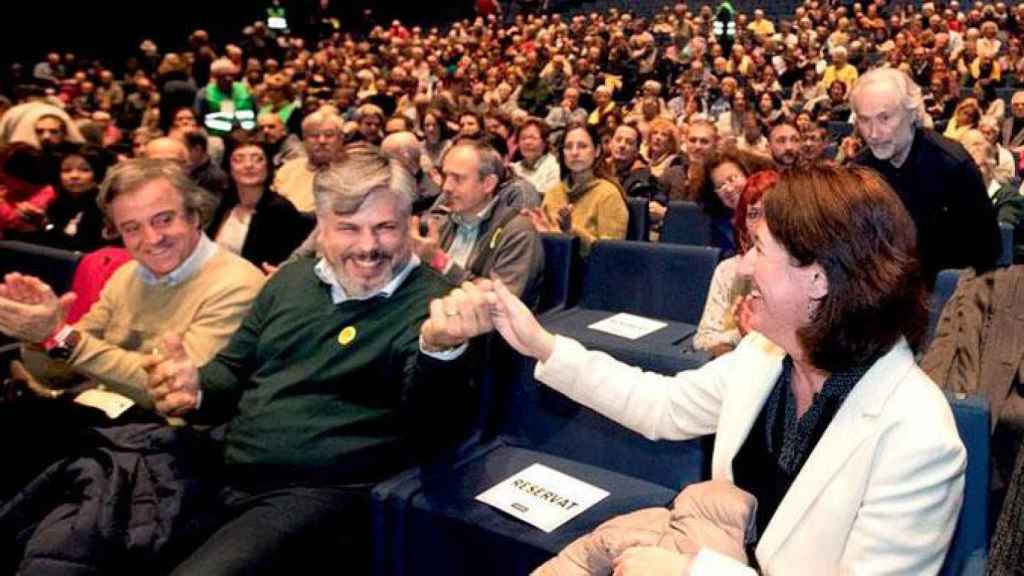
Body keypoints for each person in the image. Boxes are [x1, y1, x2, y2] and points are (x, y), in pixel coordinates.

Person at [423, 164, 965, 575]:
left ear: (820, 280)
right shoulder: (764, 356)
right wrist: (541, 345)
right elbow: (661, 406)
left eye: (761, 250)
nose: (744, 265)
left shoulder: (918, 437)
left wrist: (692, 573)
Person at [145, 151, 475, 574]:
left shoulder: (439, 309)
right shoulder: (290, 281)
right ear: (320, 225)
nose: (368, 246)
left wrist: (441, 351)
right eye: (348, 228)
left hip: (320, 495)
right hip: (225, 471)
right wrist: (196, 389)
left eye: (385, 228)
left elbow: (433, 426)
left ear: (409, 222)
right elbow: (231, 370)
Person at [851, 67, 1001, 283]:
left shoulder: (954, 165)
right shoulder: (860, 168)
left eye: (885, 118)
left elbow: (987, 252)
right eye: (864, 120)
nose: (873, 133)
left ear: (912, 114)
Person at [410, 140, 544, 307]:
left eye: (458, 179)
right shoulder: (443, 222)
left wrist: (439, 261)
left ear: (488, 184)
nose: (446, 187)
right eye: (445, 176)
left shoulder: (518, 232)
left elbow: (503, 304)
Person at [693, 170, 778, 356]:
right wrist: (742, 334)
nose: (763, 226)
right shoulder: (728, 270)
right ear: (743, 224)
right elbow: (704, 339)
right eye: (754, 214)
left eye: (771, 213)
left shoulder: (806, 271)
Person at [207, 134, 314, 268]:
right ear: (229, 169)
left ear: (268, 167)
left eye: (258, 159)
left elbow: (275, 264)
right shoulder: (223, 204)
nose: (249, 165)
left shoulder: (280, 211)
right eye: (239, 160)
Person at [528, 122, 627, 255]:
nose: (574, 152)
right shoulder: (553, 192)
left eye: (582, 146)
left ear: (597, 151)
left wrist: (570, 232)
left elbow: (610, 255)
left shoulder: (609, 194)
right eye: (568, 147)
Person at [273, 109, 345, 213]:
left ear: (340, 139)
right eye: (314, 136)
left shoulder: (355, 172)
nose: (322, 141)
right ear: (304, 140)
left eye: (329, 135)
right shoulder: (287, 170)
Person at [511, 117, 561, 197]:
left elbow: (549, 198)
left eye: (533, 138)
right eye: (523, 138)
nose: (527, 142)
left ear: (545, 142)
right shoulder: (515, 168)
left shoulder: (554, 168)